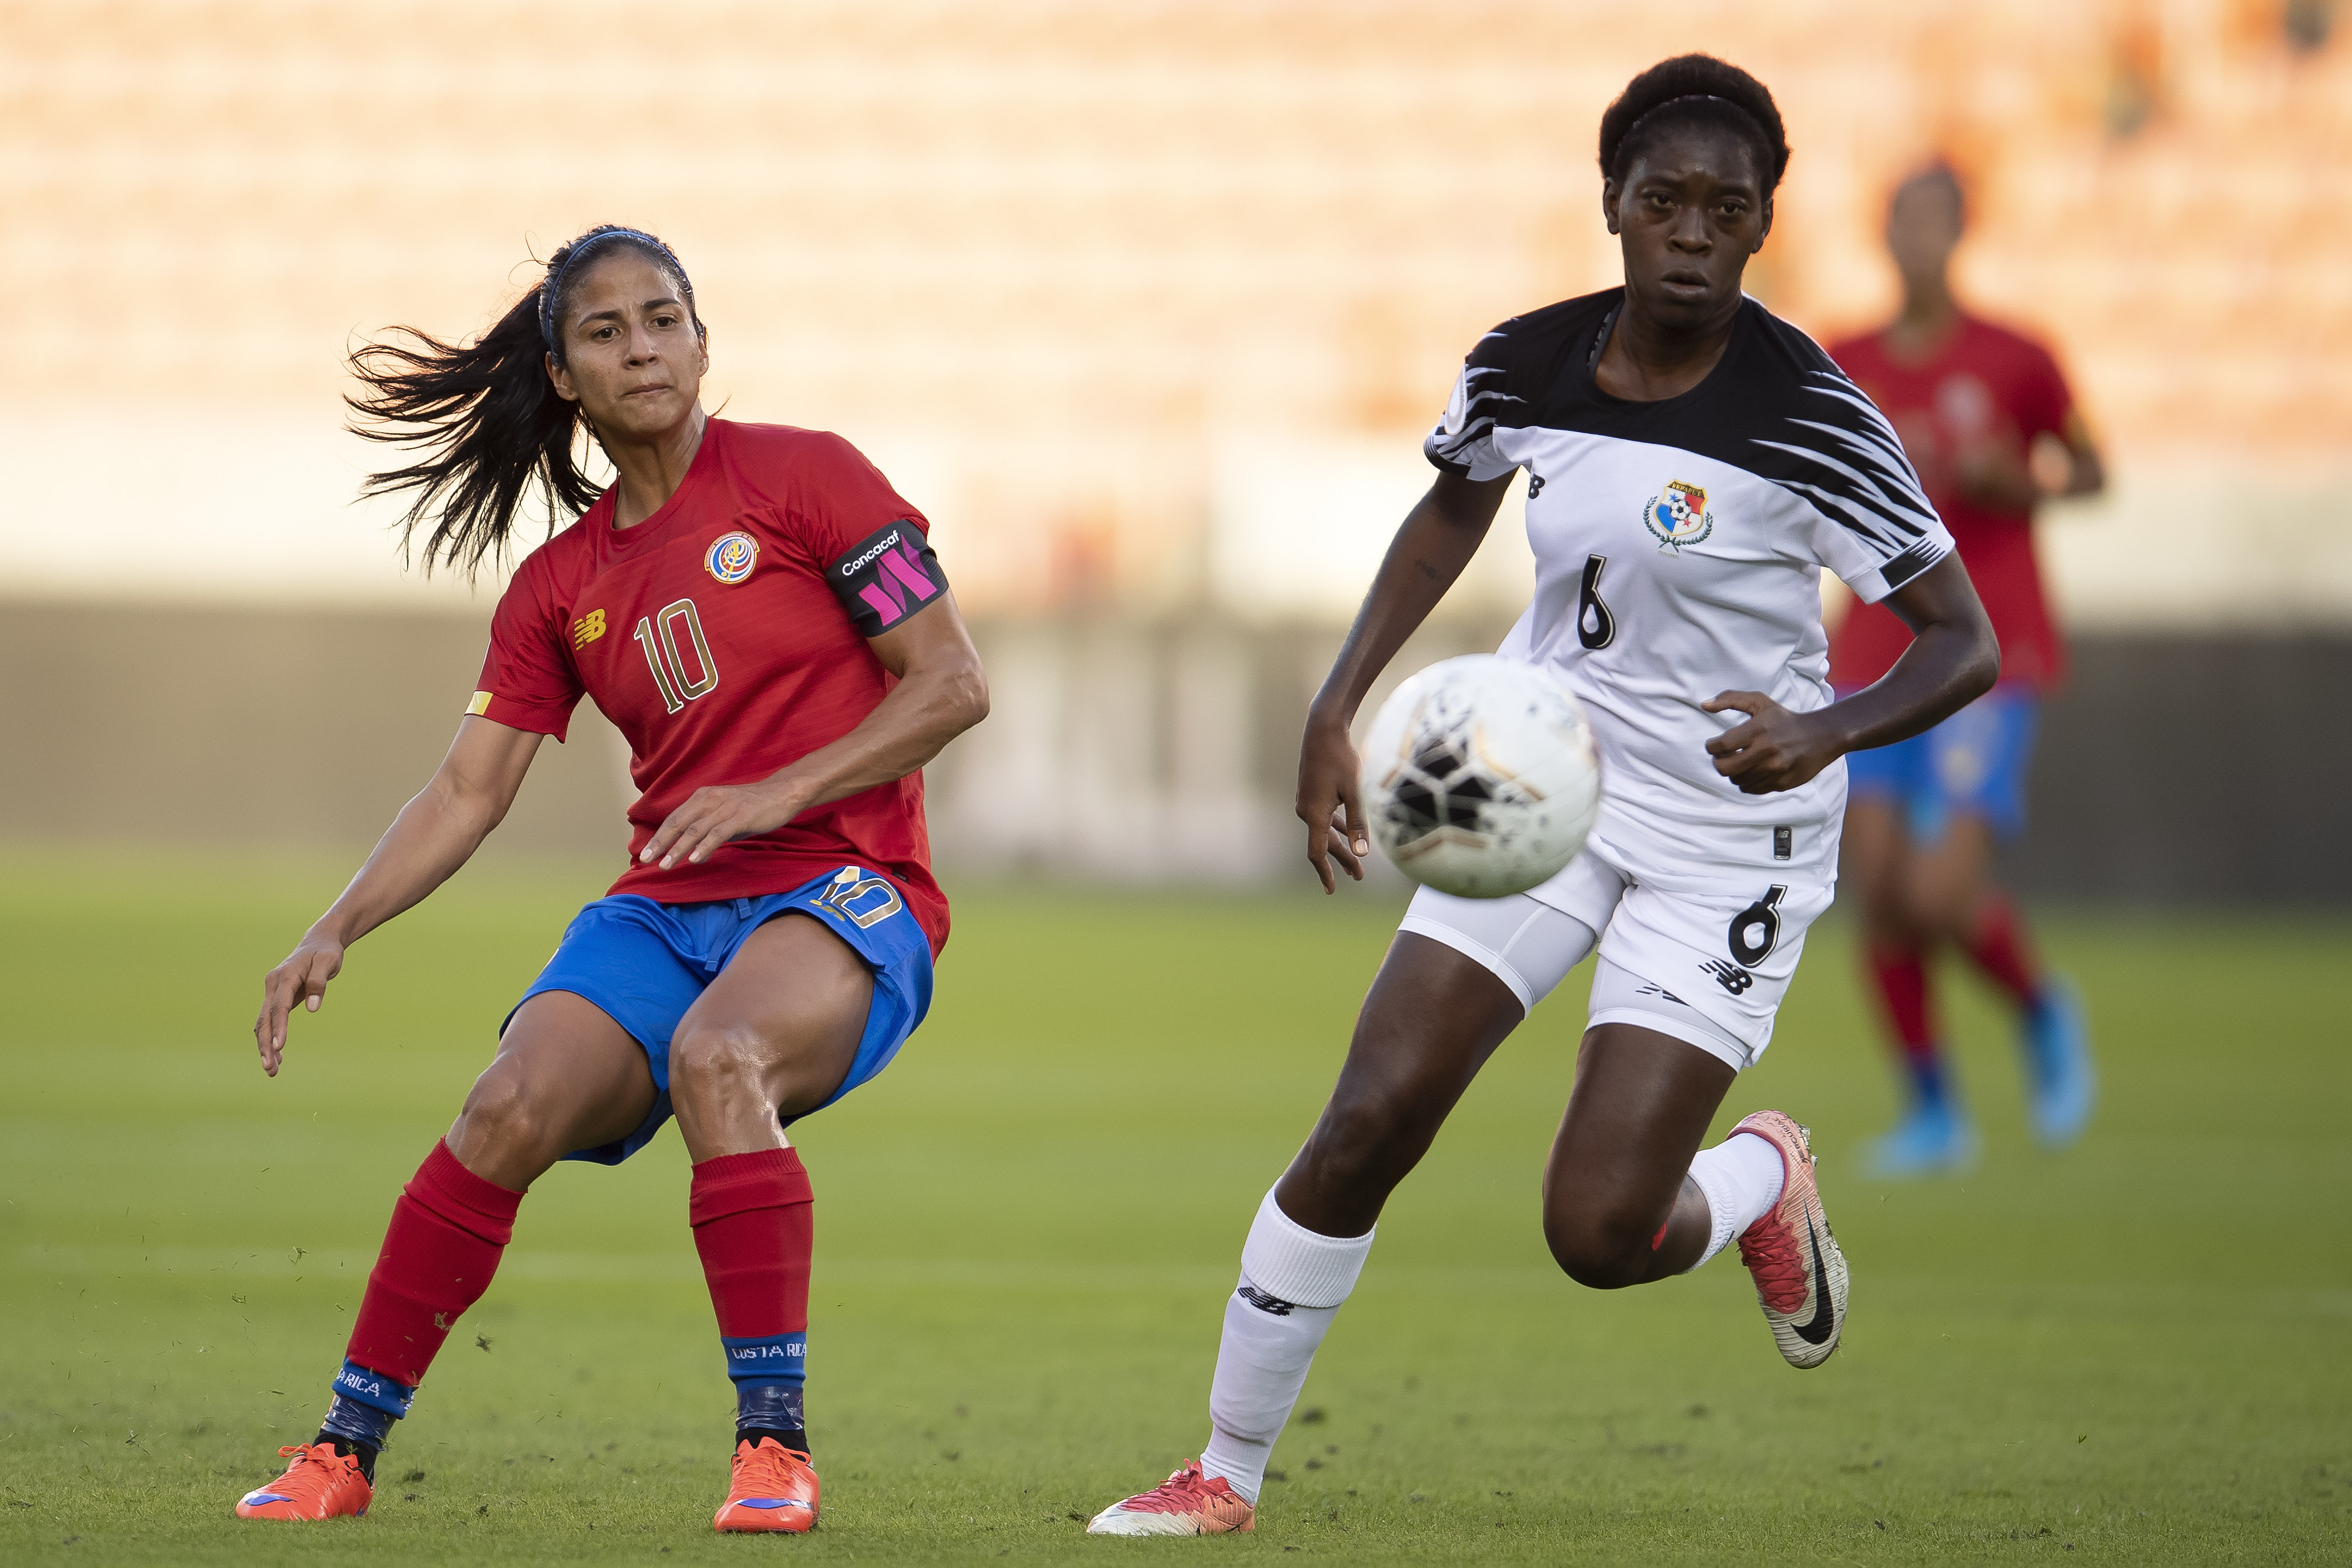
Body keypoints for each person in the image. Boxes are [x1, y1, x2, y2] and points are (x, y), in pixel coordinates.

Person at [1088, 55, 1998, 1537]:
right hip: (1543, 783)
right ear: (1612, 210)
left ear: (1763, 226)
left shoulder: (1813, 415)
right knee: (1371, 1109)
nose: (1692, 232)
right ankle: (1223, 1470)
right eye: (1663, 202)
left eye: (1726, 207)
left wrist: (1824, 729)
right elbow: (1455, 497)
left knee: (1596, 1229)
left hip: (1728, 831)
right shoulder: (1523, 361)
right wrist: (1338, 700)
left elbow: (1964, 639)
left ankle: (1761, 1176)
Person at [232, 225, 987, 1532]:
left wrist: (776, 791)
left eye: (664, 317)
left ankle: (773, 1448)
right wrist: (336, 923)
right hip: (672, 902)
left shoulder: (810, 479)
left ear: (702, 341)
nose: (642, 345)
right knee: (505, 1104)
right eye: (606, 329)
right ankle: (342, 1448)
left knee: (719, 1054)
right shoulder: (557, 585)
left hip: (849, 884)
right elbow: (469, 787)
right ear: (564, 377)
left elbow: (953, 682)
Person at [1827, 166, 2104, 1177]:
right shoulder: (1840, 360)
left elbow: (2093, 469)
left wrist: (2020, 480)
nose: (1919, 241)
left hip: (1992, 641)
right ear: (1884, 231)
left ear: (1963, 233)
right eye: (1905, 221)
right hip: (1870, 642)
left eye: (1937, 223)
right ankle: (1935, 1112)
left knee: (1940, 891)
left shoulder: (2019, 358)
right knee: (1879, 886)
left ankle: (2038, 1007)